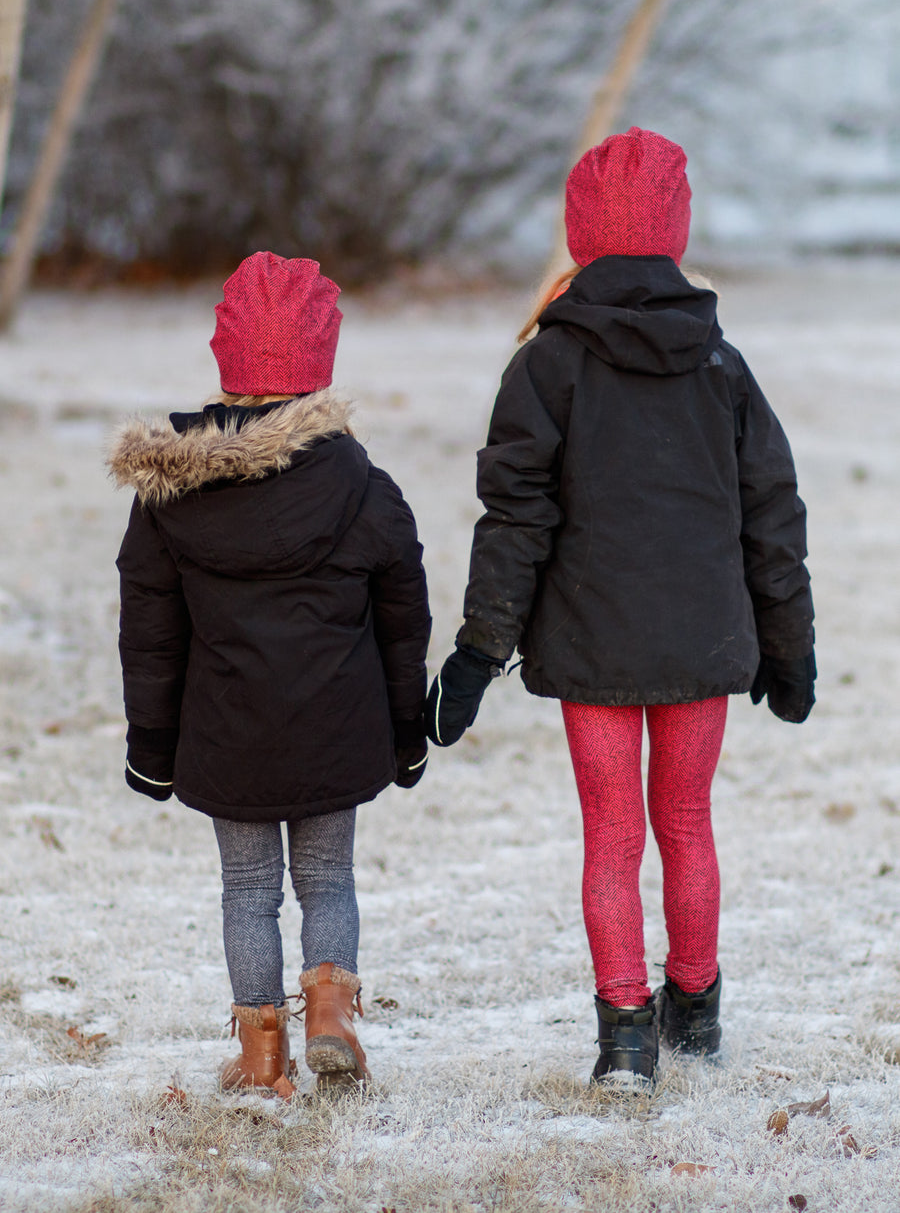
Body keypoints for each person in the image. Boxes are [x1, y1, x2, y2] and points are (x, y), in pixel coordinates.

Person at [426, 127, 814, 1087]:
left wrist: (479, 650)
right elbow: (772, 514)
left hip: (592, 643)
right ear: (675, 234)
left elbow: (513, 519)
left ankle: (627, 1036)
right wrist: (789, 645)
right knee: (686, 819)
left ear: (582, 236)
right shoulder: (721, 366)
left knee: (613, 832)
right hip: (700, 639)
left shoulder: (545, 367)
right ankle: (699, 1012)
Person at [110, 252, 431, 1097]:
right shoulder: (364, 484)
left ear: (229, 359)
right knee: (328, 876)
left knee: (248, 887)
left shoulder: (171, 494)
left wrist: (152, 743)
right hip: (338, 728)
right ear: (320, 363)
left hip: (228, 734)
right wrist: (408, 731)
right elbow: (404, 620)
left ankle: (262, 1060)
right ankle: (331, 1013)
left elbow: (149, 629)